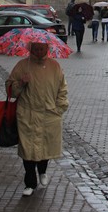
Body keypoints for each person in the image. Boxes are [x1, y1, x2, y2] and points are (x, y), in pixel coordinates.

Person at [5, 42, 68, 197]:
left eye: (42, 48)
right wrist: (21, 83)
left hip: (49, 114)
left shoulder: (55, 66)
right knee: (28, 149)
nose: (39, 51)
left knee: (45, 147)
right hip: (28, 114)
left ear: (47, 49)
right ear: (30, 49)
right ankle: (30, 182)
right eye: (36, 48)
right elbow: (10, 90)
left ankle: (43, 171)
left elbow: (62, 89)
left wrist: (59, 108)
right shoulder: (22, 66)